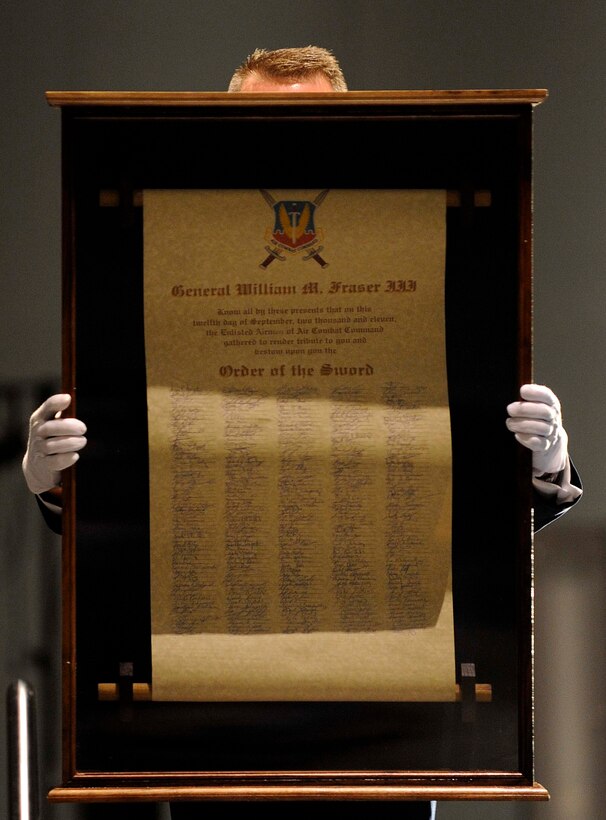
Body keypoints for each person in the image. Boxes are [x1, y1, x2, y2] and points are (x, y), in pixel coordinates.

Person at [21, 46, 582, 820]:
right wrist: (55, 487)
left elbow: (462, 485)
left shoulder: (432, 248)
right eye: (258, 118)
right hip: (218, 724)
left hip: (383, 729)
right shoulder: (150, 242)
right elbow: (140, 486)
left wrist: (545, 463)